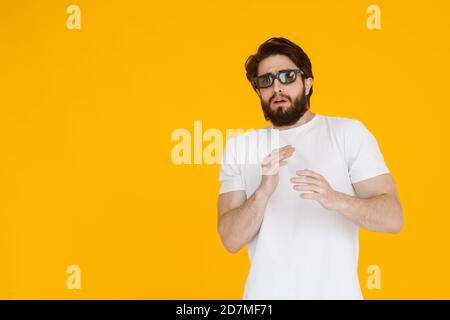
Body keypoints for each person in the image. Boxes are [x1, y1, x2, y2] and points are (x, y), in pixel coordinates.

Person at [217, 37, 403, 299]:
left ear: (307, 82)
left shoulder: (348, 133)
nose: (277, 87)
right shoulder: (241, 147)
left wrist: (335, 199)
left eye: (287, 76)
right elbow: (231, 240)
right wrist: (263, 191)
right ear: (259, 91)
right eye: (266, 81)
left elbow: (393, 218)